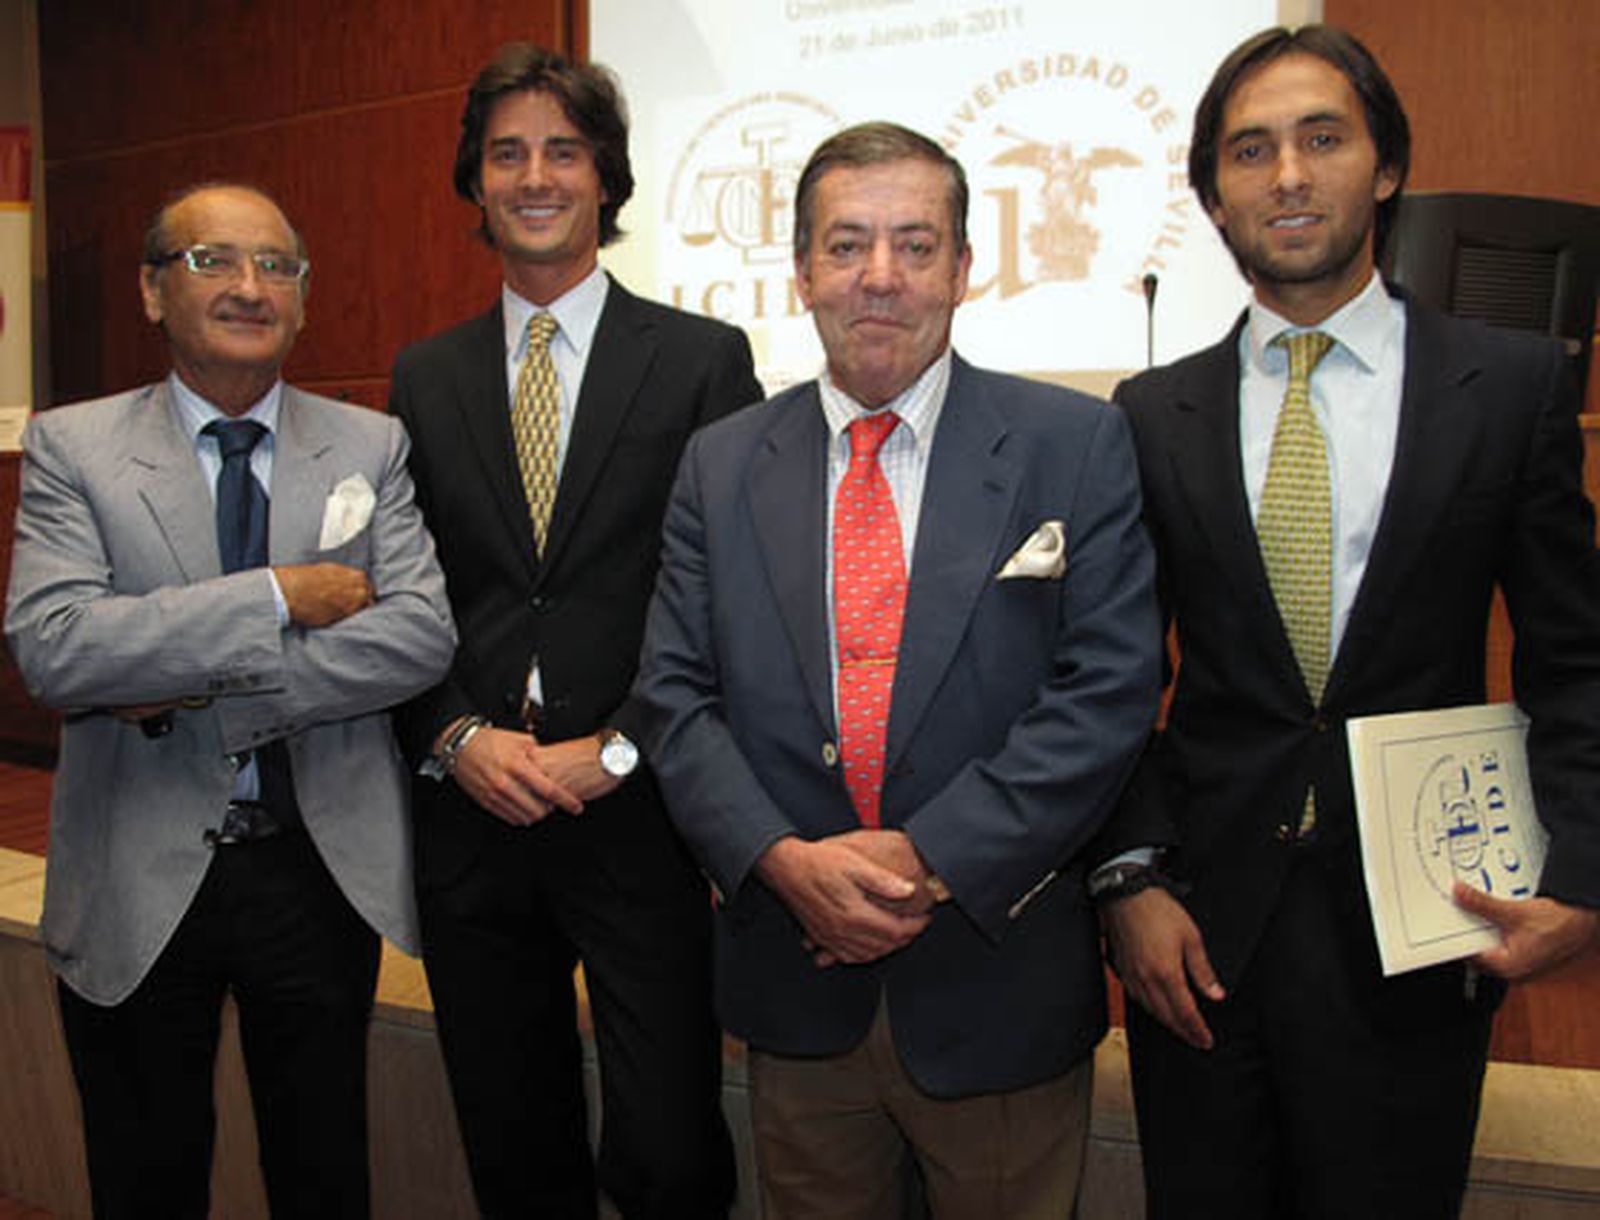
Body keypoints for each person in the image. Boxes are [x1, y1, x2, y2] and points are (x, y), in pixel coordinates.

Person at [1091, 25, 1600, 1219]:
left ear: (1382, 167)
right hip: (1198, 940)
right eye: (1249, 150)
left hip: (1424, 934)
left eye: (1322, 138)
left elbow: (1574, 659)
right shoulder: (1151, 413)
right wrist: (1125, 878)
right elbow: (1105, 671)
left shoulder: (1511, 388)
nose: (1286, 175)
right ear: (1214, 196)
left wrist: (1581, 876)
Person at [633, 120, 1161, 1220]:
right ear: (800, 270)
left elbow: (1106, 690)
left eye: (917, 245)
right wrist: (784, 863)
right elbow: (674, 699)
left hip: (995, 978)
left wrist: (926, 859)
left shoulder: (1075, 440)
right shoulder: (721, 462)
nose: (880, 277)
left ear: (965, 270)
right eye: (848, 244)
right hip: (796, 980)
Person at [4, 182, 455, 1218]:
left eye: (277, 267)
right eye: (215, 261)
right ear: (154, 291)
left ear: (303, 297)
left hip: (314, 866)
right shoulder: (75, 448)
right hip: (135, 860)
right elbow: (60, 650)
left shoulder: (368, 444)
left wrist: (170, 671)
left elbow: (419, 635)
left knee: (322, 1170)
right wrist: (275, 596)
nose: (251, 287)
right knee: (146, 1170)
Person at [387, 42, 762, 1220]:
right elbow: (410, 589)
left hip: (638, 805)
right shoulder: (424, 373)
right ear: (475, 182)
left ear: (606, 177)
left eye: (563, 149)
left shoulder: (702, 360)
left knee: (670, 1148)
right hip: (477, 809)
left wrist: (617, 746)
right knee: (512, 1134)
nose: (534, 174)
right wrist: (453, 734)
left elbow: (725, 596)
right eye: (507, 153)